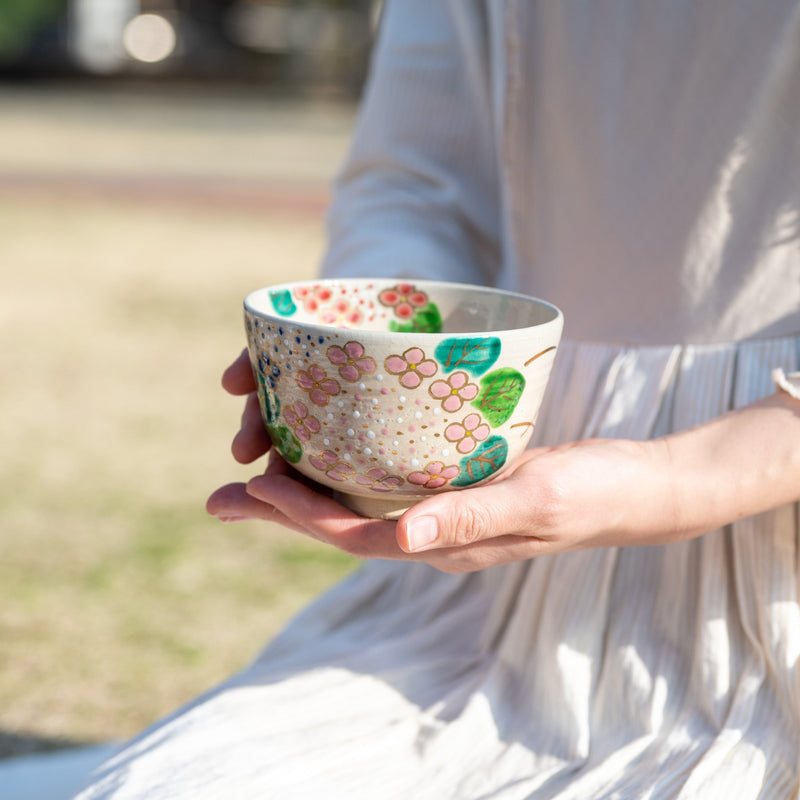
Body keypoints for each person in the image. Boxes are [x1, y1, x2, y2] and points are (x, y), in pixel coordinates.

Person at [76, 1, 800, 797]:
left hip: (774, 565)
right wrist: (358, 359)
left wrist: (675, 477)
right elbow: (412, 181)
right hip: (479, 590)